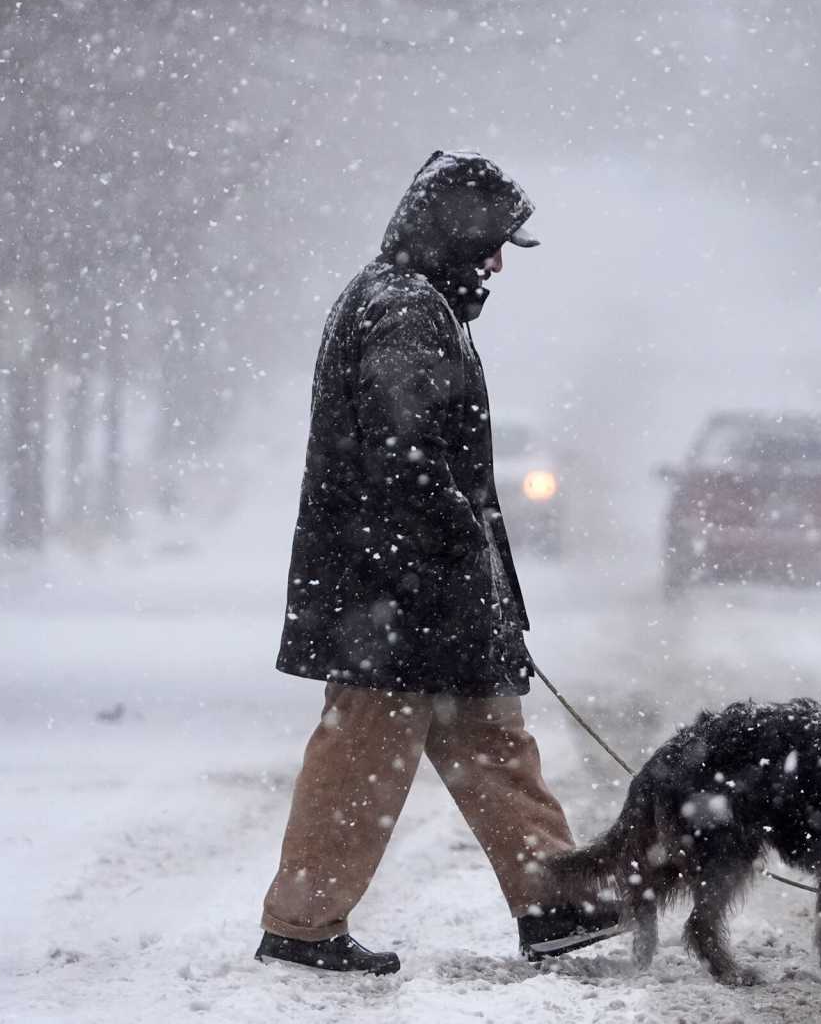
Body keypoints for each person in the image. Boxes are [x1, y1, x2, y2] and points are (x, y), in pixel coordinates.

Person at [255, 151, 621, 975]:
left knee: (492, 739)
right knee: (363, 755)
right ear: (452, 234)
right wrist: (458, 553)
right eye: (490, 243)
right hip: (393, 591)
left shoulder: (416, 304)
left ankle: (552, 901)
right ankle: (303, 925)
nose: (496, 262)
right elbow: (404, 453)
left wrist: (478, 585)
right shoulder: (402, 310)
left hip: (423, 588)